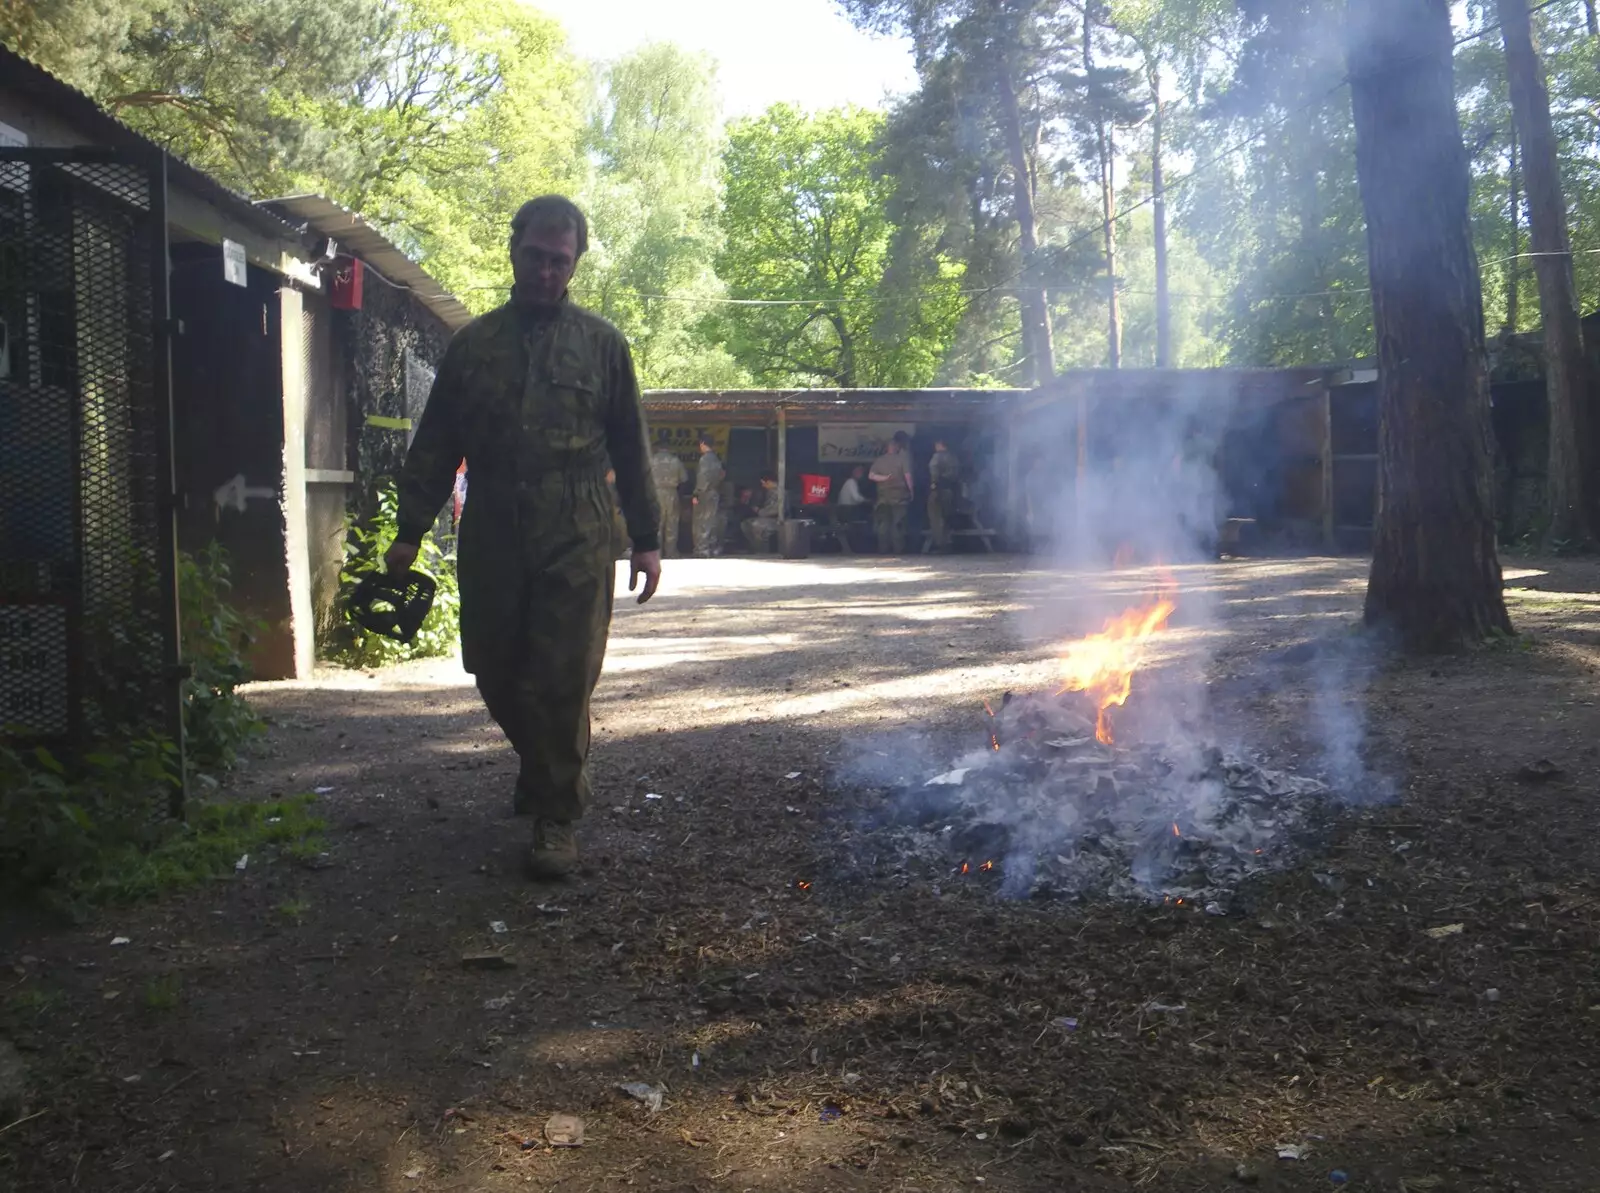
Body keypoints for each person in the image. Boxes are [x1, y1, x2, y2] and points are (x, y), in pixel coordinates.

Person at [385, 195, 661, 880]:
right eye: (535, 256)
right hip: (494, 524)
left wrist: (647, 539)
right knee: (495, 666)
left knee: (565, 676)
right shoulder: (473, 346)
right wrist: (408, 532)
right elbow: (436, 445)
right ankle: (546, 770)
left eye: (558, 261)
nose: (545, 271)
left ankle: (555, 817)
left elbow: (632, 447)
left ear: (575, 266)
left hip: (577, 521)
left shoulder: (603, 346)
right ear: (514, 251)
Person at [868, 432, 914, 553]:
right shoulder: (902, 459)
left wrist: (884, 479)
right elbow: (907, 476)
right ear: (896, 446)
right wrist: (911, 491)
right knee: (898, 523)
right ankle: (898, 549)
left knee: (883, 523)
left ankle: (883, 549)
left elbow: (871, 476)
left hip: (883, 496)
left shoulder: (879, 461)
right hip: (899, 496)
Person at [650, 442, 688, 557]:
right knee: (672, 523)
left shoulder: (651, 460)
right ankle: (671, 552)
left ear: (657, 448)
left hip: (655, 493)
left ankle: (657, 552)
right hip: (672, 493)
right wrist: (679, 495)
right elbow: (684, 480)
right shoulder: (675, 461)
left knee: (657, 523)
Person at [691, 433, 725, 557]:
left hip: (704, 494)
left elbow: (702, 478)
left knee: (701, 522)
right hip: (714, 493)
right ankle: (712, 548)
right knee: (711, 521)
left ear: (703, 444)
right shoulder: (716, 459)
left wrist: (696, 494)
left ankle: (702, 549)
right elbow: (721, 475)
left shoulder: (704, 459)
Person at [927, 438, 961, 552]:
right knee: (947, 517)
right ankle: (948, 542)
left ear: (940, 445)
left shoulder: (937, 457)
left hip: (938, 490)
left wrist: (933, 484)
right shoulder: (954, 458)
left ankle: (940, 545)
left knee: (936, 518)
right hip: (950, 491)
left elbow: (934, 473)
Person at [741, 472, 783, 552]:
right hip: (766, 518)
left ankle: (762, 550)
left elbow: (775, 510)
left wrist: (760, 511)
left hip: (777, 520)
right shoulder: (767, 492)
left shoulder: (780, 493)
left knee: (757, 525)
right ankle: (754, 547)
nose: (763, 486)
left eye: (764, 483)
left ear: (769, 482)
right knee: (745, 524)